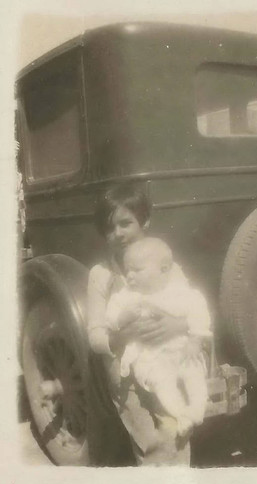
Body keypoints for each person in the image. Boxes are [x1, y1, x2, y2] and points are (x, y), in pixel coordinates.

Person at [87, 184, 203, 465]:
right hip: (126, 363)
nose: (118, 233)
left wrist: (177, 326)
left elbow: (190, 305)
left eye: (126, 223)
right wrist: (123, 335)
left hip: (170, 355)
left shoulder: (166, 265)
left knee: (175, 426)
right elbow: (95, 336)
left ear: (145, 222)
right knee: (150, 440)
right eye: (110, 227)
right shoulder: (101, 275)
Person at [104, 237, 212, 438]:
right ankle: (181, 414)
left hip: (182, 350)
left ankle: (197, 410)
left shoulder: (179, 291)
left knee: (195, 376)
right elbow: (109, 319)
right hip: (151, 357)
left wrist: (195, 340)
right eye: (127, 270)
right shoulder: (126, 297)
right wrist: (123, 317)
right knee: (163, 386)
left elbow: (198, 310)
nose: (129, 276)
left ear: (163, 269)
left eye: (137, 270)